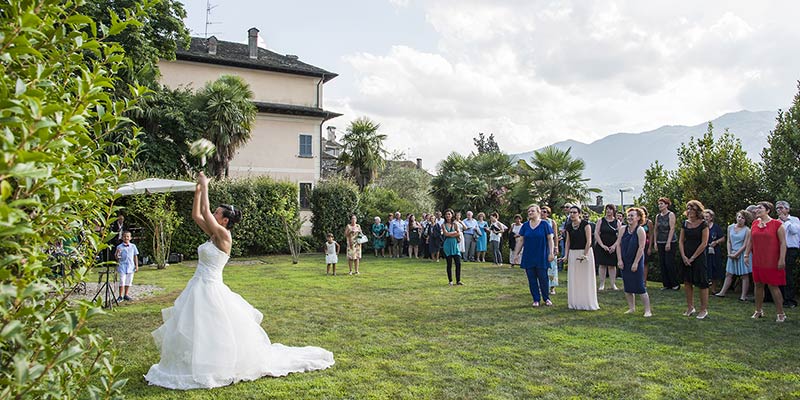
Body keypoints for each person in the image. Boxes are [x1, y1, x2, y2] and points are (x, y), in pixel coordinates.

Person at [145, 172, 334, 389]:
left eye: (217, 213)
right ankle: (196, 363)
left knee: (210, 327)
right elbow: (197, 215)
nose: (213, 214)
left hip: (210, 287)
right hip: (199, 285)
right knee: (199, 327)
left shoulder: (224, 236)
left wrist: (205, 185)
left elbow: (205, 212)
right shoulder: (214, 234)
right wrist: (198, 192)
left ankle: (213, 365)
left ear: (225, 220)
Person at [747, 201, 787, 322]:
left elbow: (783, 243)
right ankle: (758, 311)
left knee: (773, 286)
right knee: (758, 284)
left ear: (768, 210)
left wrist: (782, 259)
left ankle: (781, 313)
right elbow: (750, 241)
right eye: (756, 208)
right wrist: (746, 254)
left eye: (760, 208)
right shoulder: (754, 223)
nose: (756, 210)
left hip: (772, 260)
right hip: (758, 259)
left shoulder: (777, 224)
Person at [512, 204, 555, 307]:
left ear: (538, 212)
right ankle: (536, 299)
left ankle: (546, 298)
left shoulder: (544, 224)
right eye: (529, 212)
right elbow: (521, 240)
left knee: (543, 278)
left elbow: (550, 239)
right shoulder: (525, 226)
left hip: (542, 255)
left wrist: (551, 253)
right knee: (532, 279)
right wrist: (516, 254)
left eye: (532, 211)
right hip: (529, 256)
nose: (530, 213)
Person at [561, 205, 599, 310]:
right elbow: (568, 242)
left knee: (585, 278)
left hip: (585, 252)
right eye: (571, 213)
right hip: (573, 253)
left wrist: (585, 255)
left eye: (574, 212)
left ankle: (587, 302)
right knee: (574, 278)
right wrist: (566, 255)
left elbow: (589, 241)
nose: (572, 214)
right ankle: (575, 302)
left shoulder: (586, 225)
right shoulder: (568, 226)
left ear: (579, 214)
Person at [617, 208, 652, 317]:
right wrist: (619, 260)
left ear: (638, 218)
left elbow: (641, 247)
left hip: (636, 260)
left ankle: (647, 310)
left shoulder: (640, 230)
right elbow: (618, 244)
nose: (630, 218)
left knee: (639, 286)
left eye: (632, 215)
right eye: (629, 215)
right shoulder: (623, 229)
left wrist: (636, 263)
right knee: (627, 285)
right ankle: (631, 308)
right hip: (624, 260)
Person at [679, 200, 710, 319]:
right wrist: (683, 256)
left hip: (698, 256)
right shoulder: (685, 223)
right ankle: (690, 307)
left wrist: (692, 258)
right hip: (686, 254)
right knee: (687, 282)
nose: (689, 211)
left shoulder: (703, 224)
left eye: (692, 209)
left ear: (697, 210)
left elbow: (704, 243)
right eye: (688, 209)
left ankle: (703, 309)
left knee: (702, 283)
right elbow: (681, 241)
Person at [715, 210, 752, 300]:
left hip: (742, 253)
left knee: (744, 275)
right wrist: (729, 253)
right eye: (739, 217)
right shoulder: (730, 227)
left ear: (746, 220)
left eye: (742, 218)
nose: (740, 219)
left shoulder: (748, 230)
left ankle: (743, 296)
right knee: (729, 273)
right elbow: (728, 241)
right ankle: (722, 292)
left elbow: (745, 244)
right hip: (731, 252)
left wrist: (737, 254)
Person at [652, 198, 680, 291]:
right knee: (662, 263)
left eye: (662, 204)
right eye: (659, 204)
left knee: (669, 262)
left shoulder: (670, 214)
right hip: (660, 241)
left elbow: (672, 228)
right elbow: (655, 229)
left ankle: (675, 283)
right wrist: (655, 242)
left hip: (670, 241)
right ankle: (666, 284)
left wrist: (668, 242)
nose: (660, 205)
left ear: (666, 205)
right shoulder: (658, 216)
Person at [776, 201, 799, 308]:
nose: (779, 210)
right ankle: (778, 297)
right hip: (779, 249)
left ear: (787, 209)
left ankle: (789, 299)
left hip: (791, 249)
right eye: (777, 208)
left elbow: (794, 231)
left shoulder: (795, 220)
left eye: (781, 208)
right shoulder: (776, 221)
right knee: (778, 273)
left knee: (787, 273)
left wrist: (786, 221)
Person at [594, 204, 620, 291]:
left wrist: (615, 246)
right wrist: (602, 245)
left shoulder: (617, 222)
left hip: (613, 246)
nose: (608, 211)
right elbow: (596, 233)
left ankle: (613, 284)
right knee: (602, 265)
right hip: (602, 245)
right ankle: (602, 284)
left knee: (612, 266)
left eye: (610, 209)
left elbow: (620, 236)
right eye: (607, 209)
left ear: (614, 211)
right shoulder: (601, 220)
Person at [703, 209, 726, 293]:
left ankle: (713, 288)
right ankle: (705, 287)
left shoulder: (716, 227)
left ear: (711, 218)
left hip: (715, 251)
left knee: (715, 268)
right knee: (705, 268)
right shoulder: (702, 226)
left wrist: (716, 242)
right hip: (704, 250)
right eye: (704, 216)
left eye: (707, 217)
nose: (705, 218)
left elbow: (723, 238)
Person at [115, 231, 139, 302]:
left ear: (130, 238)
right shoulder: (119, 247)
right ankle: (120, 296)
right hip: (122, 266)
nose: (126, 238)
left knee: (129, 281)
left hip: (130, 266)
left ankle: (126, 294)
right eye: (125, 236)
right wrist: (117, 254)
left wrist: (136, 265)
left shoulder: (133, 246)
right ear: (122, 238)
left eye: (128, 236)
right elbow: (117, 257)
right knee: (122, 281)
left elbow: (135, 256)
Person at [441, 209, 463, 286]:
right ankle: (450, 281)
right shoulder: (443, 225)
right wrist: (454, 233)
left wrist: (453, 234)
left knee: (458, 263)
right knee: (449, 264)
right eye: (446, 214)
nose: (448, 216)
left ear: (452, 215)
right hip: (447, 245)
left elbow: (458, 233)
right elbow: (446, 234)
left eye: (449, 214)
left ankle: (458, 280)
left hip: (454, 245)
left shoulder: (455, 224)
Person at [541, 206, 559, 295]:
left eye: (544, 212)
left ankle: (552, 287)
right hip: (540, 246)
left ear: (548, 213)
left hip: (550, 246)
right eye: (541, 211)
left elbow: (555, 235)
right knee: (541, 267)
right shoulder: (537, 221)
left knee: (552, 267)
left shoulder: (552, 222)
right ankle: (542, 286)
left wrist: (556, 247)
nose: (542, 213)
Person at [641, 207, 654, 283]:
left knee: (645, 263)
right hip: (637, 244)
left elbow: (651, 235)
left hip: (646, 243)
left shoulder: (648, 222)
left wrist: (649, 247)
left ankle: (644, 281)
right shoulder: (637, 222)